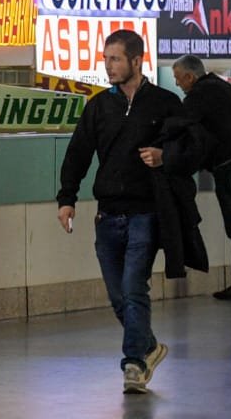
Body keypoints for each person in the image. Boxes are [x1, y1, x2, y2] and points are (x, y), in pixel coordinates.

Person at [57, 30, 180, 394]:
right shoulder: (98, 106)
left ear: (136, 61)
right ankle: (150, 346)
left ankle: (133, 364)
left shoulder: (164, 104)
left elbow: (193, 149)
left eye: (115, 59)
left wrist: (164, 157)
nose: (108, 66)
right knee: (118, 296)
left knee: (133, 287)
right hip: (107, 215)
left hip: (145, 212)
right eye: (106, 58)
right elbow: (78, 154)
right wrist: (67, 198)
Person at [169, 55, 231, 301]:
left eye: (178, 79)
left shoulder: (200, 94)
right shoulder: (223, 87)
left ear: (190, 77)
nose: (178, 85)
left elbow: (178, 123)